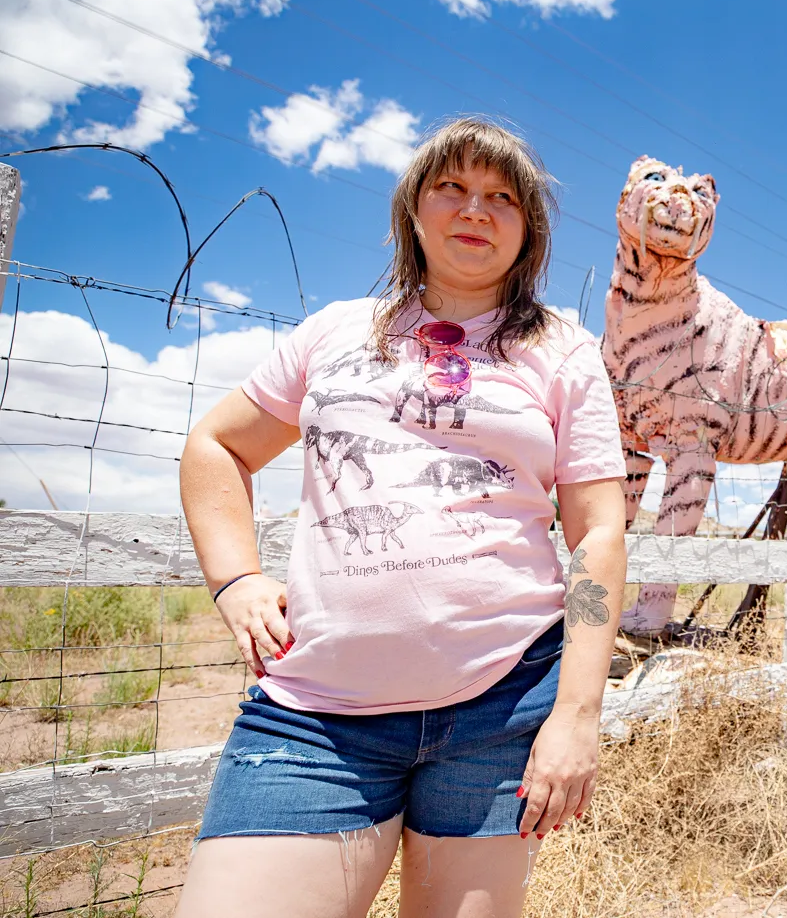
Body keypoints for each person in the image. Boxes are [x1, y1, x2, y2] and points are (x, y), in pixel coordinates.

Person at [174, 117, 627, 918]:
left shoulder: (561, 351)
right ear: (414, 210)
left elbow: (595, 531)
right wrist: (236, 577)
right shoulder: (334, 332)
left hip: (501, 703)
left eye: (501, 197)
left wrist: (576, 716)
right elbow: (217, 444)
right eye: (451, 187)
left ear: (529, 230)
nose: (475, 209)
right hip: (316, 716)